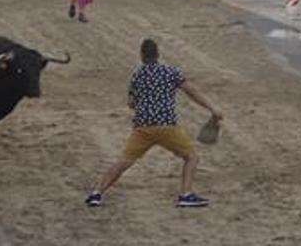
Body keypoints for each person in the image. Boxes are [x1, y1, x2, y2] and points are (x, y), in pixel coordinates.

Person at [85, 39, 224, 209]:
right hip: (166, 125)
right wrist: (212, 108)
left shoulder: (137, 75)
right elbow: (192, 92)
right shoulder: (171, 72)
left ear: (142, 56)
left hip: (142, 127)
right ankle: (185, 195)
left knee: (124, 161)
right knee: (191, 157)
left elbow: (131, 103)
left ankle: (96, 193)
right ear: (158, 54)